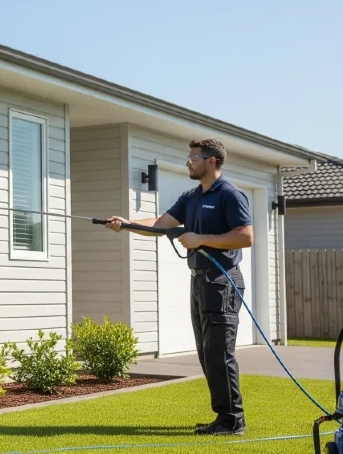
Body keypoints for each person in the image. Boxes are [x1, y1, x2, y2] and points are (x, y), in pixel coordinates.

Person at [105, 138, 253, 436]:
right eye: (189, 156)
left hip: (222, 280)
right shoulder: (191, 197)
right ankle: (223, 416)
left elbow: (245, 237)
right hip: (199, 280)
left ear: (211, 161)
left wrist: (201, 238)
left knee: (219, 352)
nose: (188, 161)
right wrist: (127, 223)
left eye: (193, 157)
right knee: (206, 352)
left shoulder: (230, 195)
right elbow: (161, 225)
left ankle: (232, 420)